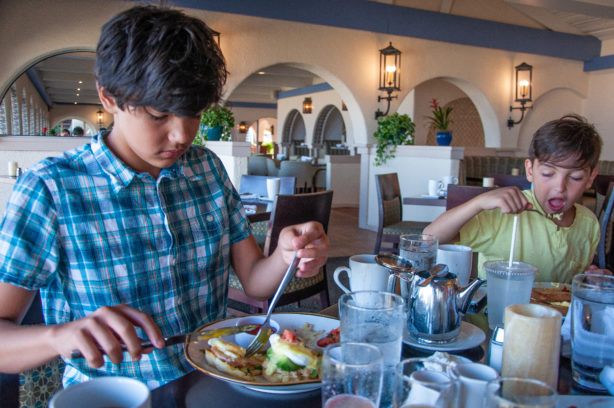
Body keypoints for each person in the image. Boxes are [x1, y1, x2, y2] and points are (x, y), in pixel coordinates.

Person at [0, 5, 328, 389]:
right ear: (108, 98)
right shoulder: (50, 190)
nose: (181, 135)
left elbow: (254, 282)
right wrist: (59, 336)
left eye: (194, 114)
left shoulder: (205, 168)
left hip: (214, 380)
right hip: (115, 395)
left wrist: (286, 258)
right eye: (159, 115)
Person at [424, 114, 602, 284]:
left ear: (590, 178)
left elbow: (575, 282)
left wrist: (592, 281)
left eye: (576, 177)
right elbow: (429, 239)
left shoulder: (589, 223)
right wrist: (478, 202)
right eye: (548, 174)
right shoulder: (503, 212)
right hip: (495, 314)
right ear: (530, 170)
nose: (560, 187)